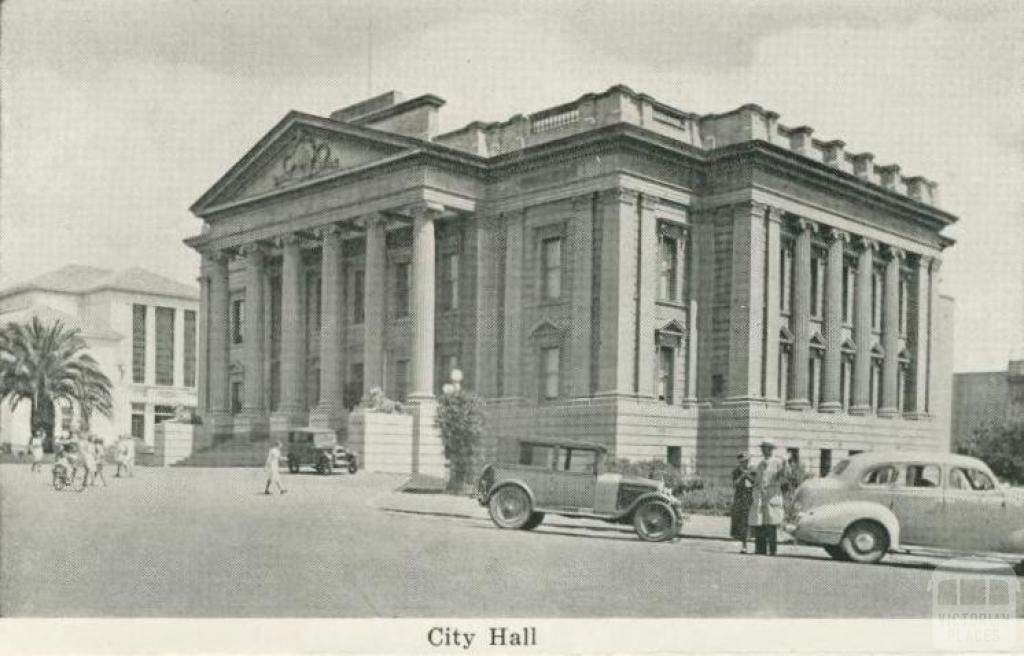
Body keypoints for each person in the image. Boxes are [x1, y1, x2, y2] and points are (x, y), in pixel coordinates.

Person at [748, 439, 791, 556]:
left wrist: (786, 463)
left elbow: (785, 475)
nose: (763, 450)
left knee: (771, 524)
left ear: (771, 449)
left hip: (772, 496)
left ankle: (772, 550)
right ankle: (760, 549)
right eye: (762, 448)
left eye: (765, 448)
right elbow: (757, 480)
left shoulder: (777, 462)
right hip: (761, 496)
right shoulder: (760, 464)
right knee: (759, 523)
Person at [730, 452, 755, 553]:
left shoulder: (753, 470)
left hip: (751, 496)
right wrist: (742, 475)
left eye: (746, 461)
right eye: (742, 462)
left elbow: (755, 482)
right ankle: (744, 545)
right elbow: (735, 484)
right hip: (740, 496)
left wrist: (747, 475)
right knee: (742, 521)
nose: (744, 463)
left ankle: (757, 545)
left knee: (753, 521)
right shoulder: (736, 471)